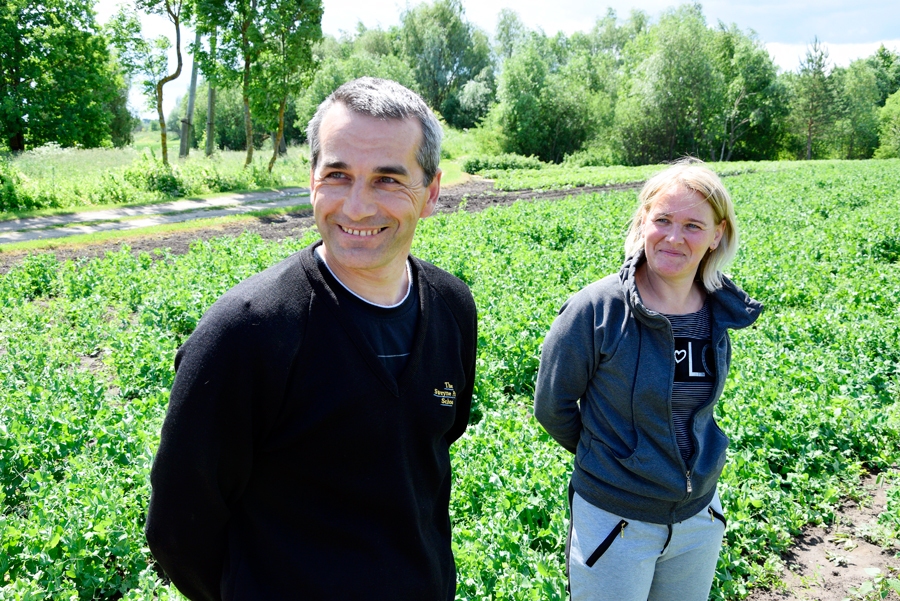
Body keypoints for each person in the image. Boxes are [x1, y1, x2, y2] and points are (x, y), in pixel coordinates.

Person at [144, 77, 477, 600]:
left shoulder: (453, 307)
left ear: (431, 192)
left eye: (388, 180)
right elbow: (178, 529)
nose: (358, 207)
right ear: (313, 180)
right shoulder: (247, 331)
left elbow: (426, 453)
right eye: (338, 175)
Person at [534, 159, 762, 601]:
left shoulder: (716, 310)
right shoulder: (597, 309)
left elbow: (698, 411)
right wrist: (615, 458)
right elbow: (552, 406)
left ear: (717, 234)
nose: (674, 238)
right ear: (644, 222)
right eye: (663, 220)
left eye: (693, 225)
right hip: (616, 522)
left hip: (698, 517)